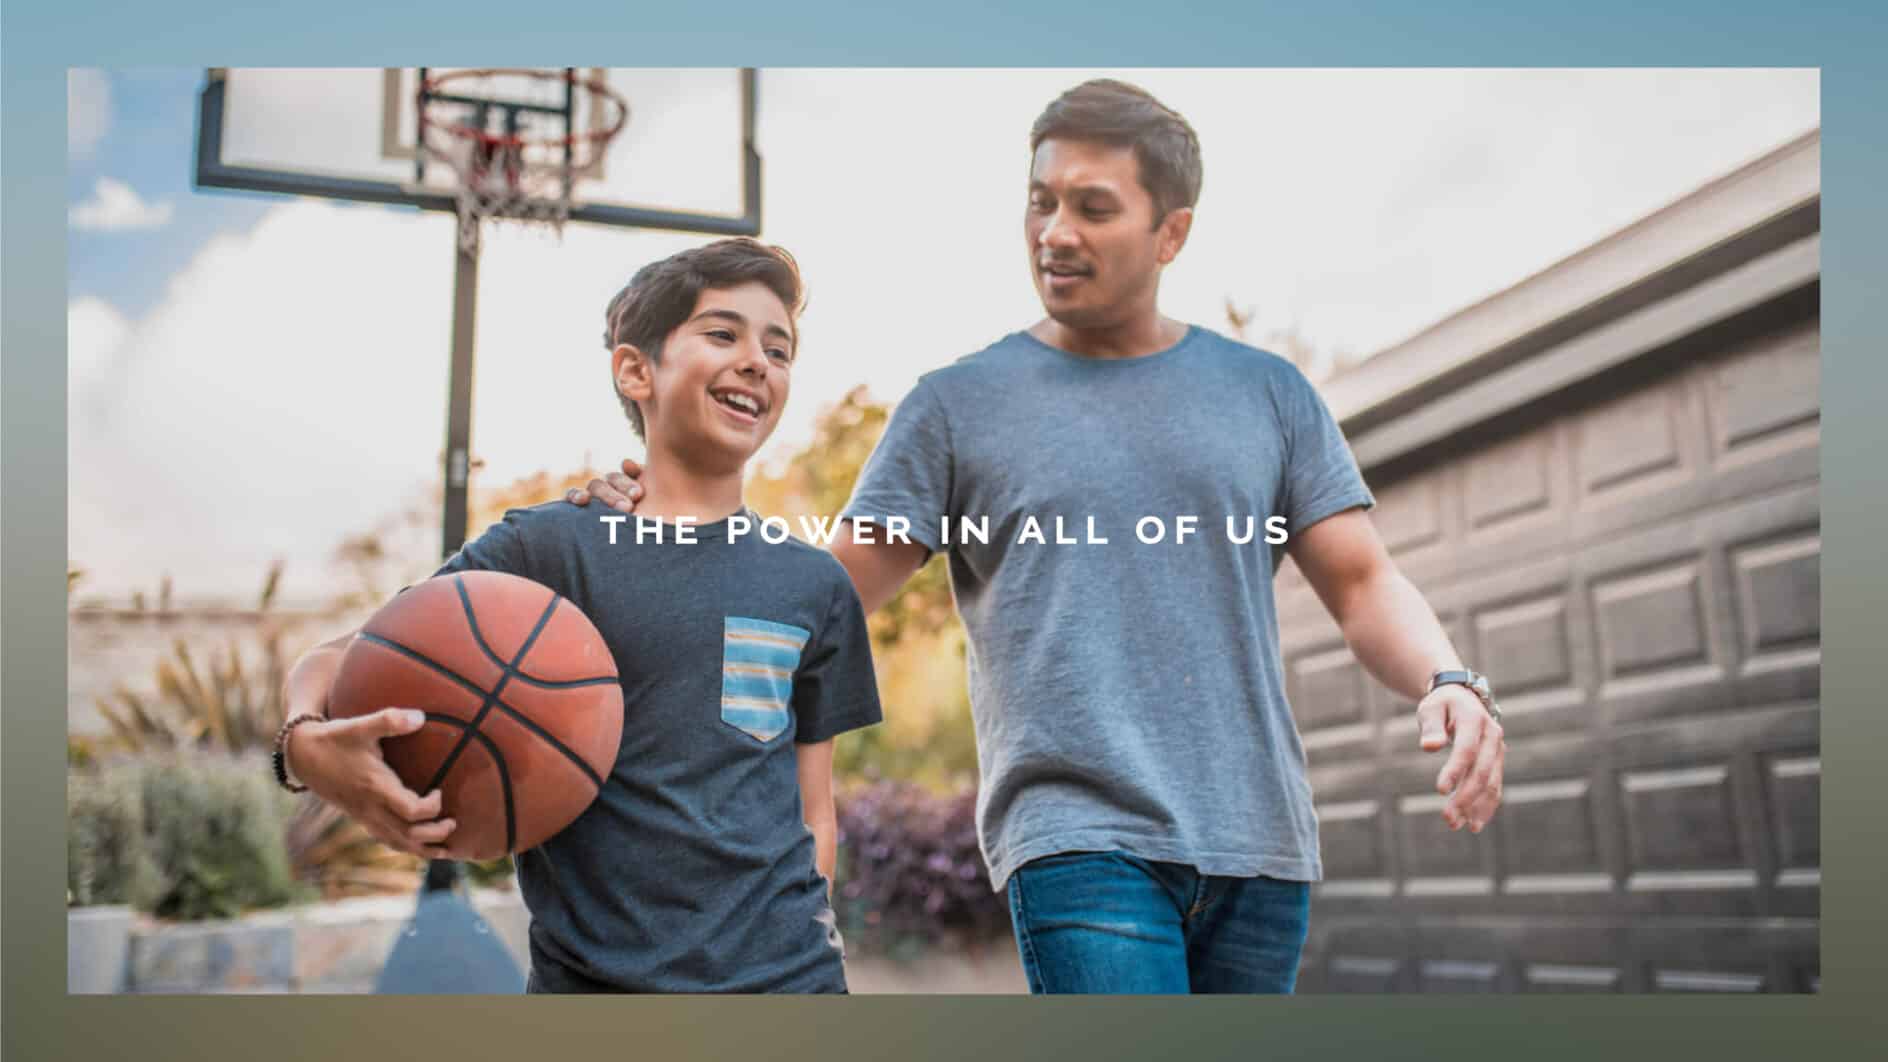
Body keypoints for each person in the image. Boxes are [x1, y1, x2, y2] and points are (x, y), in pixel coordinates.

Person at [571, 80, 1506, 994]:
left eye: (1093, 208)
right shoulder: (957, 405)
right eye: (1040, 201)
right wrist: (663, 533)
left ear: (1170, 232)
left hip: (1259, 845)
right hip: (1074, 840)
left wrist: (1448, 678)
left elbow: (1361, 581)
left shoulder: (1269, 394)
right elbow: (819, 597)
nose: (1054, 232)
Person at [275, 238, 883, 993]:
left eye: (779, 348)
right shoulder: (552, 546)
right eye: (723, 334)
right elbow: (345, 656)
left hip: (790, 985)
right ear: (636, 371)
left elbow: (812, 805)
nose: (758, 360)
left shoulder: (812, 582)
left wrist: (802, 938)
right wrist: (302, 745)